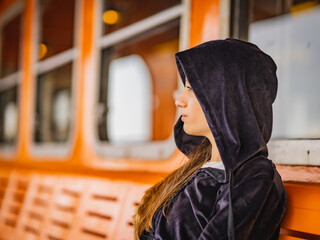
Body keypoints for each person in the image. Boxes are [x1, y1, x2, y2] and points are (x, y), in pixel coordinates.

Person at [133, 38, 287, 240]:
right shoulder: (200, 164)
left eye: (191, 89)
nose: (179, 101)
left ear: (226, 97)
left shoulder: (254, 178)